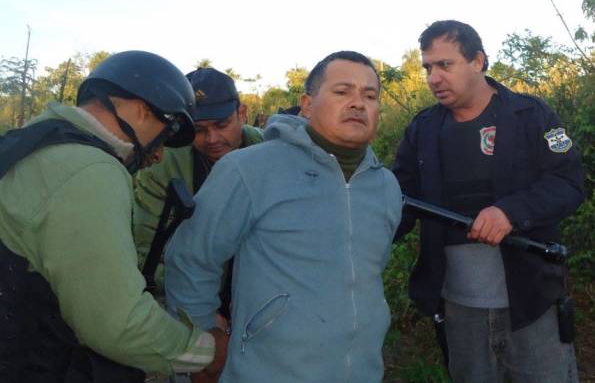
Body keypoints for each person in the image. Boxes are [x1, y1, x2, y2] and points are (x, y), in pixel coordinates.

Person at [164, 50, 402, 382]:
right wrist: (203, 342)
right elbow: (190, 259)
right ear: (307, 104)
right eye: (342, 91)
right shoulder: (248, 170)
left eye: (370, 95)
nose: (358, 103)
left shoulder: (386, 186)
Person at [0, 51, 228, 382]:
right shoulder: (90, 169)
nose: (158, 154)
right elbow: (118, 324)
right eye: (165, 134)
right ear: (142, 110)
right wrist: (206, 352)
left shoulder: (34, 139)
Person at [392, 20, 585, 382]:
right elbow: (397, 202)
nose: (434, 78)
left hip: (533, 304)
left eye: (445, 65)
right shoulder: (423, 129)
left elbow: (568, 183)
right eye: (428, 68)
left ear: (478, 61)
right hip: (459, 312)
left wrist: (510, 212)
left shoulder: (533, 115)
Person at [133, 67, 263, 305]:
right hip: (188, 294)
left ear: (242, 113)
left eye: (221, 125)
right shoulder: (162, 166)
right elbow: (148, 252)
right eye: (198, 130)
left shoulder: (271, 151)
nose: (212, 139)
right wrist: (199, 306)